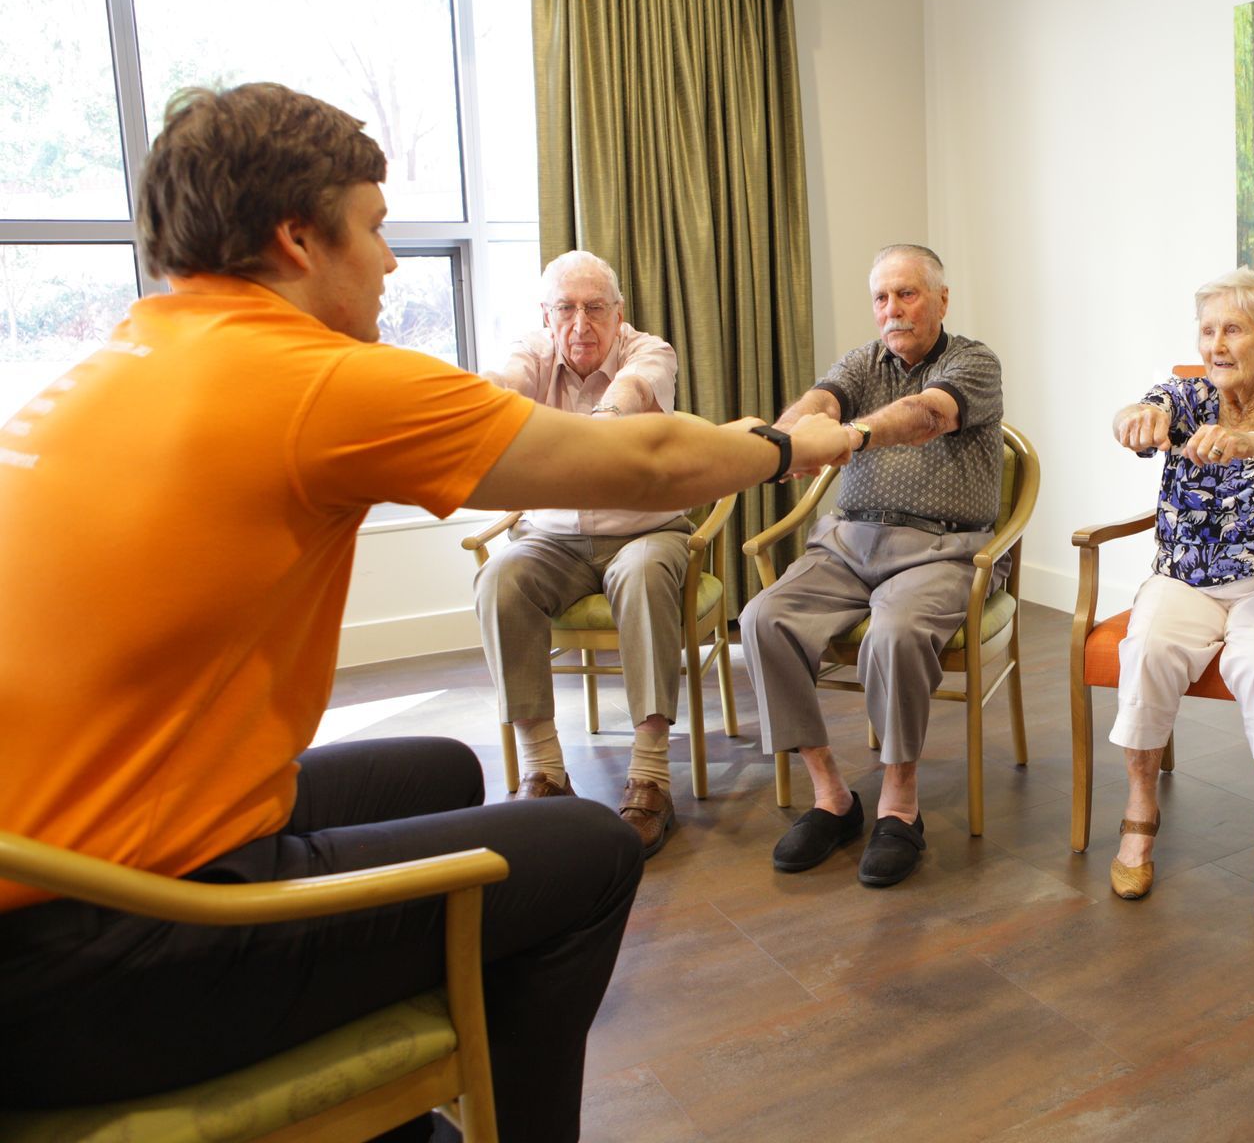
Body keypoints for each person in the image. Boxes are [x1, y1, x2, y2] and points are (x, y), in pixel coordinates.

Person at [0, 83, 849, 1140]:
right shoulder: (310, 377)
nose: (394, 261)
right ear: (299, 238)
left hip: (52, 865)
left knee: (439, 772)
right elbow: (654, 453)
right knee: (585, 854)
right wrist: (786, 444)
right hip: (91, 956)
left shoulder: (116, 358)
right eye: (377, 228)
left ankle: (397, 1113)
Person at [740, 243, 1003, 888]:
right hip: (848, 546)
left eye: (907, 294)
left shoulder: (973, 362)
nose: (893, 310)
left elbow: (926, 415)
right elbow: (820, 402)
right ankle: (832, 796)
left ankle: (899, 804)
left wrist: (853, 437)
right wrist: (784, 439)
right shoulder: (865, 360)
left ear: (942, 299)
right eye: (882, 297)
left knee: (896, 632)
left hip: (943, 550)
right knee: (762, 618)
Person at [1106, 268, 1254, 919]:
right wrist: (1137, 419)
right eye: (1208, 329)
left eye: (1233, 329)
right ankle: (1139, 805)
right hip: (1187, 577)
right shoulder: (1185, 398)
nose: (1216, 343)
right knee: (1147, 648)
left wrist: (1253, 442)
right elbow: (1140, 410)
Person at [475, 249, 691, 858]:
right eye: (566, 310)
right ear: (547, 316)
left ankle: (650, 778)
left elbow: (628, 392)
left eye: (595, 308)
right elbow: (505, 382)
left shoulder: (649, 350)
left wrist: (601, 422)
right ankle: (544, 772)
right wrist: (478, 399)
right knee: (499, 578)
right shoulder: (535, 351)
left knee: (645, 573)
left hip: (645, 531)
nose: (580, 324)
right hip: (553, 538)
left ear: (618, 314)